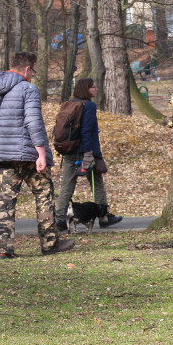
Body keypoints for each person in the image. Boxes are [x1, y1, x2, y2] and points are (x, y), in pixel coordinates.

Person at [0, 51, 75, 258]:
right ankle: (49, 244)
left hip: (1, 155)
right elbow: (33, 123)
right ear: (28, 69)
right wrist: (41, 154)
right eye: (34, 70)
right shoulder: (27, 89)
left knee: (6, 201)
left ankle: (4, 249)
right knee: (43, 194)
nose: (33, 74)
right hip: (28, 155)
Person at [55, 78, 123, 231]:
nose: (96, 89)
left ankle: (60, 219)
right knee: (96, 182)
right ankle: (104, 216)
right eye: (93, 87)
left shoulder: (69, 104)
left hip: (69, 150)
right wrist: (88, 154)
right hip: (85, 151)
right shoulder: (89, 106)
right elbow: (86, 132)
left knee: (67, 184)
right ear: (86, 90)